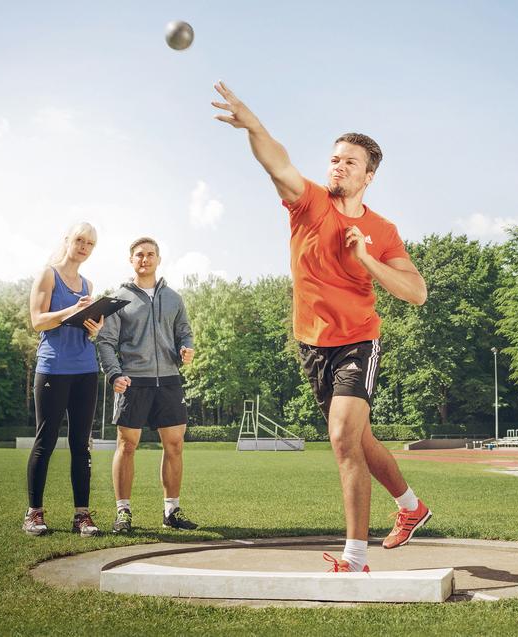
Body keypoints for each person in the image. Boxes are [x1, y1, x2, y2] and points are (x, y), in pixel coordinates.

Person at [212, 81, 431, 573]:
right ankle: (412, 507)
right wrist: (254, 125)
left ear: (369, 176)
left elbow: (415, 292)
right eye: (335, 159)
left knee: (340, 438)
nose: (338, 166)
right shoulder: (308, 202)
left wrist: (367, 258)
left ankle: (355, 556)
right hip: (312, 344)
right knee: (361, 440)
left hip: (359, 340)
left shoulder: (383, 230)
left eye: (350, 162)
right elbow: (277, 161)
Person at [96, 237, 197, 534]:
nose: (145, 259)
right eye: (139, 255)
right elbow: (105, 342)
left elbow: (185, 334)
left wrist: (186, 348)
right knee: (127, 446)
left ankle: (171, 511)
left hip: (168, 380)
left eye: (150, 254)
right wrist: (115, 374)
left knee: (175, 445)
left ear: (158, 259)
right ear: (131, 260)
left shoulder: (174, 299)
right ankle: (123, 512)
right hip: (133, 381)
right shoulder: (118, 300)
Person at [24, 222, 103, 537]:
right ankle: (34, 514)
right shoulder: (48, 275)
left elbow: (87, 326)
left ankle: (81, 516)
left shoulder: (88, 284)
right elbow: (36, 320)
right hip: (53, 370)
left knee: (81, 445)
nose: (84, 246)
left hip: (86, 370)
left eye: (90, 243)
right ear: (68, 241)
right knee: (45, 441)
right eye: (80, 240)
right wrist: (72, 309)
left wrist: (94, 329)